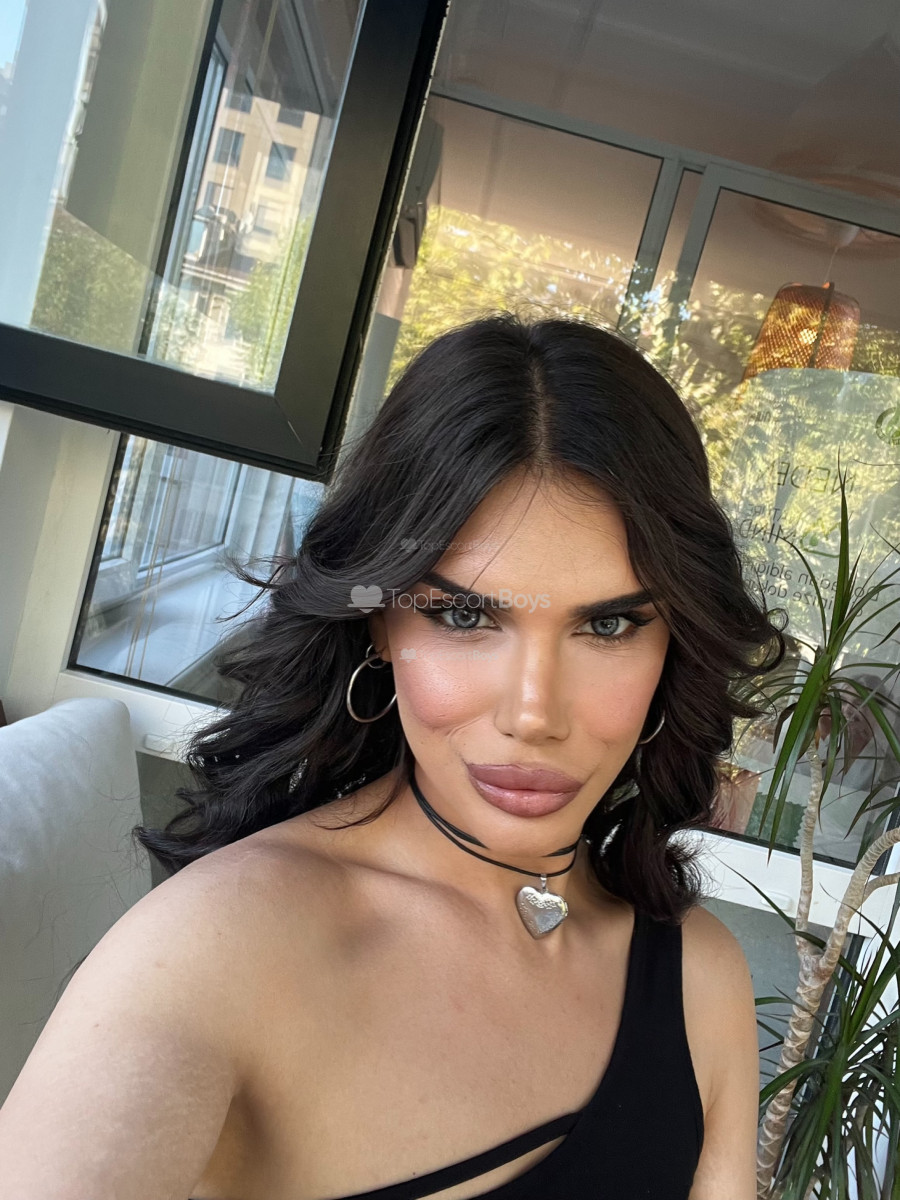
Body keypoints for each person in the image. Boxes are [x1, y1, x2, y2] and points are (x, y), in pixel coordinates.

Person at [0, 314, 783, 1200]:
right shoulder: (216, 949)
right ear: (378, 621)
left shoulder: (699, 980)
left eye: (608, 625)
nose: (533, 715)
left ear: (675, 645)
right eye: (463, 615)